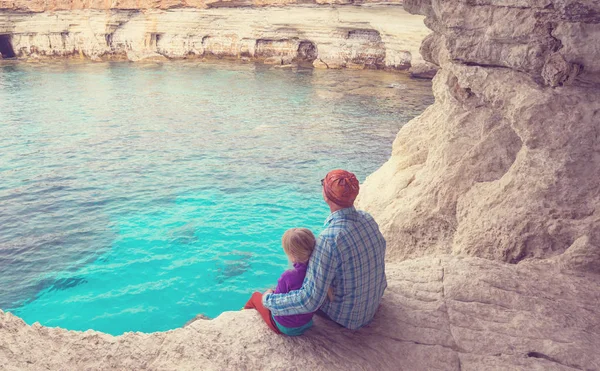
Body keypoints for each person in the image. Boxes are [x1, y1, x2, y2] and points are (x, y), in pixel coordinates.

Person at [263, 169, 387, 330]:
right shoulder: (367, 218)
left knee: (296, 288)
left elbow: (309, 300)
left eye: (323, 183)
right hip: (372, 303)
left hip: (347, 317)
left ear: (327, 196)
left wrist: (268, 300)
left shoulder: (329, 240)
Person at [244, 228, 317, 336]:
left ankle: (243, 313)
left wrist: (269, 293)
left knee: (255, 296)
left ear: (291, 255)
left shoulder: (288, 276)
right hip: (307, 323)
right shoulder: (316, 273)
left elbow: (274, 306)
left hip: (286, 327)